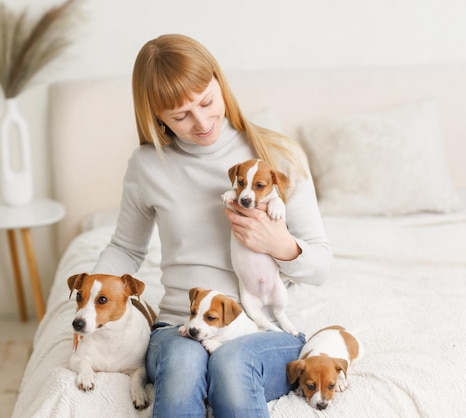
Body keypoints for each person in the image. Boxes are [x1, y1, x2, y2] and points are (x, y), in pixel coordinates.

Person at [91, 34, 332, 418]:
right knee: (186, 367)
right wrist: (92, 305)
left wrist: (279, 243)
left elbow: (321, 266)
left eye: (206, 102)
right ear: (156, 116)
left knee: (231, 364)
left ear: (220, 82)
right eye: (180, 115)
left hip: (265, 328)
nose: (202, 122)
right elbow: (126, 248)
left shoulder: (278, 154)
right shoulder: (147, 165)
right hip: (180, 324)